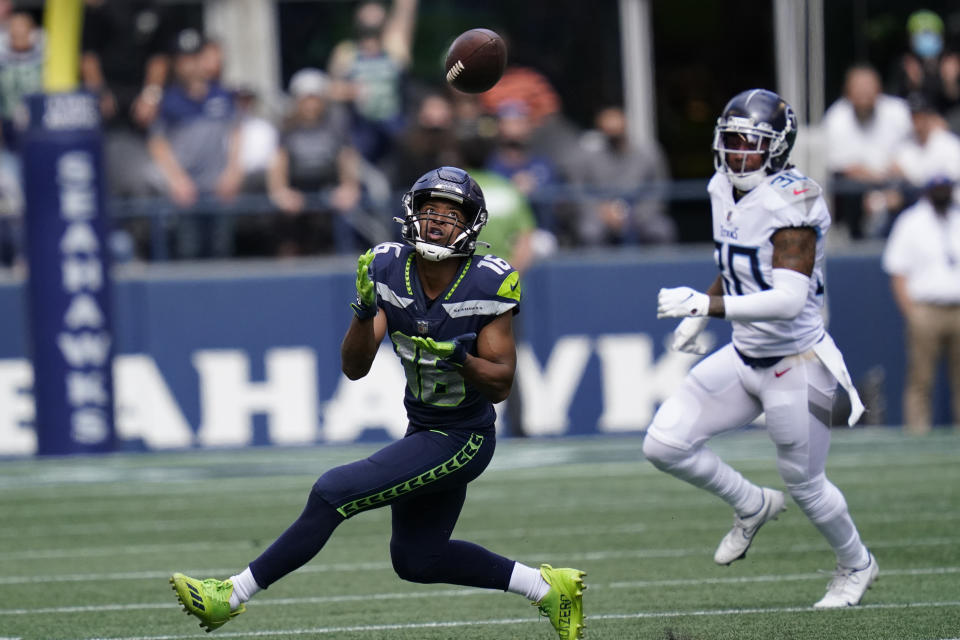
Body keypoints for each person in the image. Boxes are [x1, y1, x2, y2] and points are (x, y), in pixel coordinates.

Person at [169, 166, 586, 640]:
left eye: (450, 215)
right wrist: (365, 313)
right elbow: (355, 366)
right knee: (417, 559)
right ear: (413, 214)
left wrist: (460, 360)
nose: (437, 222)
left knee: (333, 491)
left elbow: (502, 384)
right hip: (423, 426)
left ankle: (231, 594)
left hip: (463, 436)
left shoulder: (487, 282)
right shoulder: (389, 267)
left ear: (470, 224)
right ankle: (546, 587)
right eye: (430, 211)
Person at [642, 89, 878, 609]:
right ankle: (751, 503)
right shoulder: (721, 188)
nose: (735, 153)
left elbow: (790, 299)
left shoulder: (793, 201)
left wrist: (705, 311)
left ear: (778, 147)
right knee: (664, 443)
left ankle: (857, 564)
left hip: (798, 365)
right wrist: (706, 306)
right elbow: (736, 266)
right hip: (745, 353)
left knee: (807, 485)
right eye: (729, 140)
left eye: (749, 142)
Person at [882, 175, 960, 434]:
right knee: (920, 378)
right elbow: (897, 270)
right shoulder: (911, 221)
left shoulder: (957, 218)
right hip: (925, 308)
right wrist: (912, 312)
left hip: (957, 307)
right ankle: (918, 434)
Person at [822, 64, 912, 239]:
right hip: (857, 189)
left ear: (879, 90)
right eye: (859, 89)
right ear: (847, 92)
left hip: (897, 183)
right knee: (848, 187)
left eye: (869, 88)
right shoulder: (836, 118)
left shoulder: (898, 111)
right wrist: (880, 185)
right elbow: (844, 167)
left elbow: (911, 149)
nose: (864, 94)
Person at [574, 105, 675, 246]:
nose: (613, 132)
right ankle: (600, 269)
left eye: (616, 127)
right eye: (608, 128)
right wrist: (601, 211)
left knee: (661, 230)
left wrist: (633, 215)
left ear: (625, 123)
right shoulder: (591, 157)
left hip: (642, 214)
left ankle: (660, 268)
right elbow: (579, 191)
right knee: (589, 231)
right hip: (602, 214)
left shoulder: (649, 153)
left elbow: (660, 191)